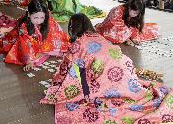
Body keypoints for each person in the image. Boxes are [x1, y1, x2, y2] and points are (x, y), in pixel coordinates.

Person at [41, 13, 173, 123]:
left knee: (88, 84)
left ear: (72, 28)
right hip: (126, 68)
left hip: (106, 74)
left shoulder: (77, 44)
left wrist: (60, 82)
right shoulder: (98, 36)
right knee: (128, 88)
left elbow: (70, 68)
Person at [3, 0, 69, 71]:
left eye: (42, 17)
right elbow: (25, 43)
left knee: (56, 34)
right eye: (35, 17)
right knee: (22, 43)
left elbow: (58, 33)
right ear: (29, 14)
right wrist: (29, 61)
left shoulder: (48, 19)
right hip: (27, 42)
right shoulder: (24, 25)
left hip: (39, 42)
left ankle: (45, 49)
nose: (39, 21)